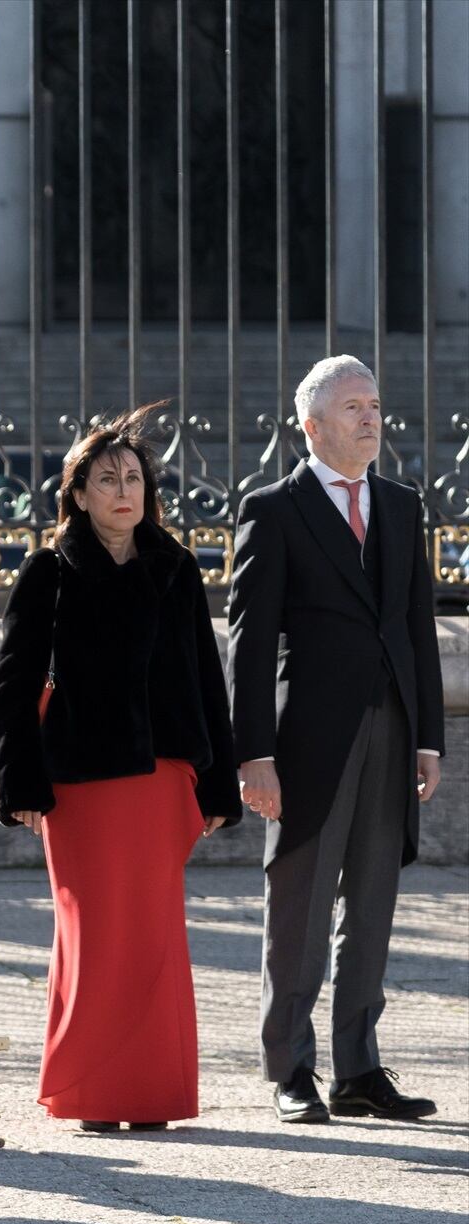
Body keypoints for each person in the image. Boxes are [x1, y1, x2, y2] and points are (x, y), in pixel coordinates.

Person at [0, 407, 241, 1131]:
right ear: (78, 494)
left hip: (163, 780)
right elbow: (12, 684)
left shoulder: (175, 568)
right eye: (107, 480)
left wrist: (218, 780)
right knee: (94, 936)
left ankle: (152, 1093)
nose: (123, 491)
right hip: (80, 786)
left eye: (133, 478)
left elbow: (204, 677)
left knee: (156, 939)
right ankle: (94, 1092)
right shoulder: (49, 572)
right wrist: (21, 785)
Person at [229, 355, 444, 1125]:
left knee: (374, 904)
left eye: (376, 405)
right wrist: (252, 753)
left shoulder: (399, 503)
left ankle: (359, 1067)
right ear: (312, 426)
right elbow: (250, 643)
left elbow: (417, 627)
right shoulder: (274, 508)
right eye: (353, 407)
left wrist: (430, 739)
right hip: (308, 742)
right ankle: (290, 1066)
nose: (371, 418)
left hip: (392, 729)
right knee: (301, 906)